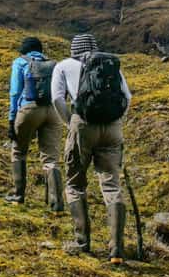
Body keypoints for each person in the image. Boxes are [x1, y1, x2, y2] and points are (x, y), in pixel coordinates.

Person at [51, 33, 131, 264]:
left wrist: (71, 121)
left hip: (83, 124)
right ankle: (116, 250)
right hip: (113, 127)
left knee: (75, 182)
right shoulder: (109, 64)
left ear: (73, 49)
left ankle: (82, 242)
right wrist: (116, 120)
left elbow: (57, 98)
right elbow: (127, 96)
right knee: (111, 183)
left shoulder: (64, 65)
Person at [5, 36, 65, 211]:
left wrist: (11, 119)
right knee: (51, 158)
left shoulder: (20, 62)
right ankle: (56, 203)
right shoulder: (54, 64)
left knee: (18, 151)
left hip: (29, 109)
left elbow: (15, 92)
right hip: (53, 112)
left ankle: (18, 195)